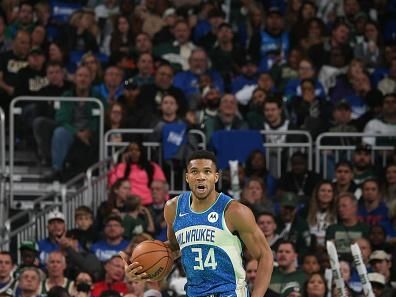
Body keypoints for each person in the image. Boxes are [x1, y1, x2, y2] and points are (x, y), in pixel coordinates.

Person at [121, 150, 273, 297]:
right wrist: (141, 268)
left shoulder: (234, 211)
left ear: (216, 177)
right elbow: (174, 248)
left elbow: (265, 255)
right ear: (187, 177)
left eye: (207, 171)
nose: (201, 177)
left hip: (230, 293)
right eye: (194, 172)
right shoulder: (173, 208)